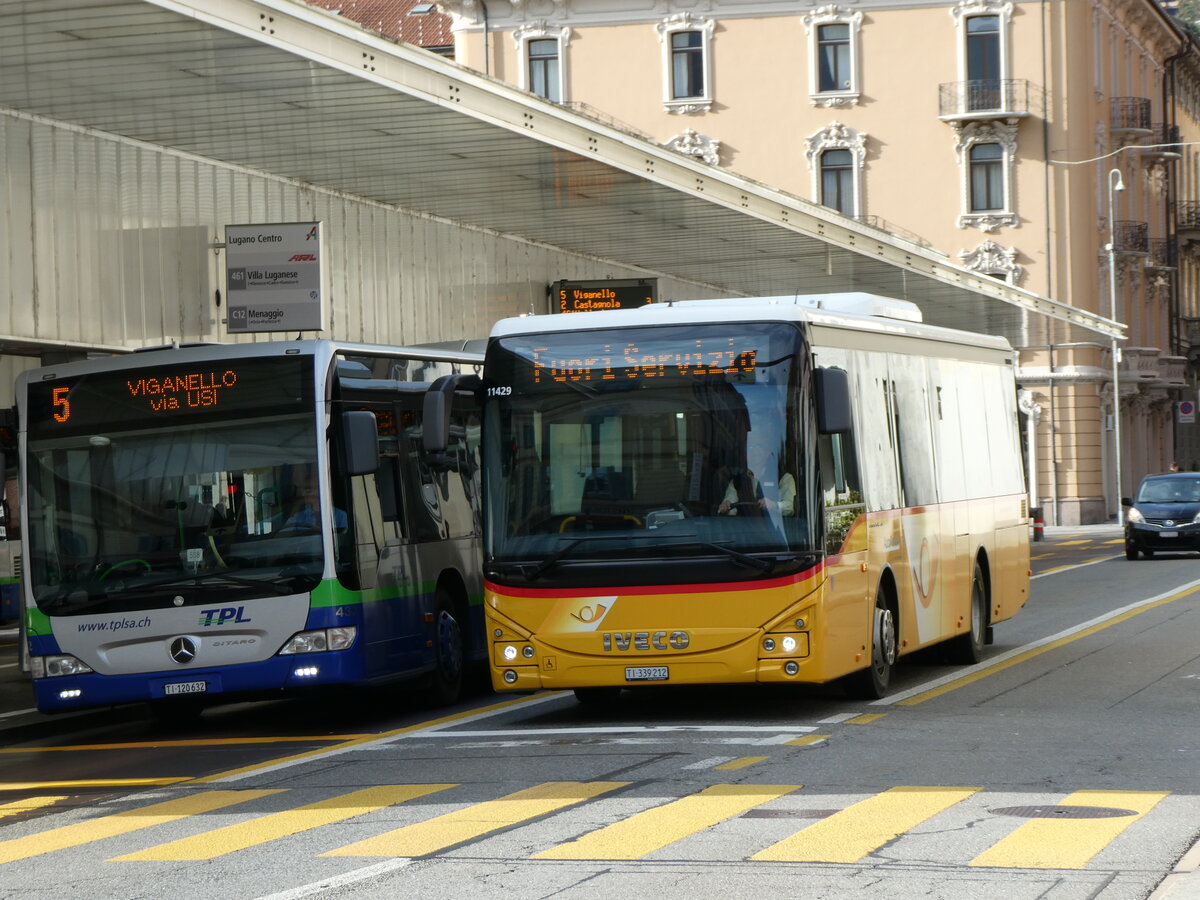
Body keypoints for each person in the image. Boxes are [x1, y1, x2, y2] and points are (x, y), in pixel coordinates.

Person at [718, 469, 795, 516]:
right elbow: (730, 505)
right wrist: (726, 506)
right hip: (744, 534)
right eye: (751, 448)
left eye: (759, 446)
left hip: (774, 534)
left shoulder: (783, 477)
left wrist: (773, 505)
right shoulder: (737, 481)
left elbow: (789, 507)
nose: (755, 452)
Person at [283, 485, 348, 531]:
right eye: (304, 491)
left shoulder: (340, 515)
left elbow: (343, 539)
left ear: (321, 491)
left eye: (309, 490)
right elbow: (285, 534)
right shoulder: (298, 516)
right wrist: (296, 506)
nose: (304, 494)